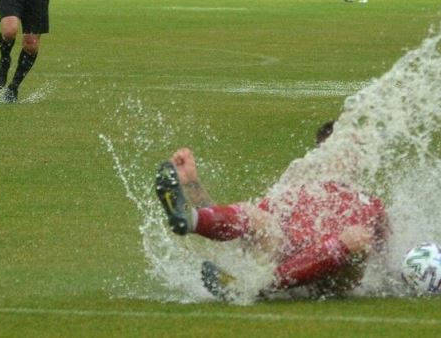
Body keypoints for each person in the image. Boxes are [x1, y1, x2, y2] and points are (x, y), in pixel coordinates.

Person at [155, 121, 390, 301]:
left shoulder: (371, 204)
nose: (354, 156)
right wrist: (193, 185)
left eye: (357, 150)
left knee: (359, 238)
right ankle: (190, 220)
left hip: (330, 278)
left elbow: (385, 260)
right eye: (347, 149)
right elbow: (239, 230)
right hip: (278, 257)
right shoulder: (295, 189)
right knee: (255, 214)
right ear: (322, 152)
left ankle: (257, 287)